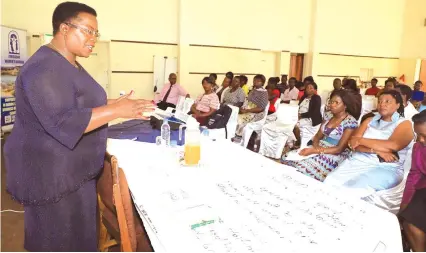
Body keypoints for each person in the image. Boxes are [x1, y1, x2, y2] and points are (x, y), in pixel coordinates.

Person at [3, 2, 154, 251]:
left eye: (96, 33)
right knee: (58, 242)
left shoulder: (68, 62)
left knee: (80, 240)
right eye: (88, 31)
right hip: (52, 177)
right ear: (64, 28)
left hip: (72, 171)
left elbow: (79, 102)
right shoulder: (43, 68)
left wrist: (115, 103)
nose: (93, 39)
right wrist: (116, 110)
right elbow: (63, 121)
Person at [324, 90, 414, 199]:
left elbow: (393, 145)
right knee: (329, 182)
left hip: (385, 166)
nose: (382, 104)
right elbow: (352, 143)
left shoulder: (404, 123)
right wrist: (377, 150)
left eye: (387, 101)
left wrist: (360, 140)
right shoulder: (370, 120)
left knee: (349, 191)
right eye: (380, 101)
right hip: (359, 160)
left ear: (398, 105)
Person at [282, 90, 359, 181]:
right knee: (287, 158)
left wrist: (316, 151)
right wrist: (315, 147)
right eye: (331, 102)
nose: (332, 105)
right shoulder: (328, 115)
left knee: (302, 167)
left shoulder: (350, 122)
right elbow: (318, 136)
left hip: (335, 153)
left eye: (336, 103)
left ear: (345, 105)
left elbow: (339, 149)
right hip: (321, 146)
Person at [399, 110, 426, 252]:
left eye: (424, 136)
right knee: (409, 222)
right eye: (417, 135)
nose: (419, 140)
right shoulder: (419, 147)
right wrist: (404, 204)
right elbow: (414, 176)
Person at [294, 82, 322, 147]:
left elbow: (313, 112)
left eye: (311, 88)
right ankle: (292, 141)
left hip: (310, 119)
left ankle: (298, 142)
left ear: (315, 90)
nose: (308, 89)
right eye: (307, 87)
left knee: (295, 126)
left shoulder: (317, 98)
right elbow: (299, 107)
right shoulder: (303, 97)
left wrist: (301, 115)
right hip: (299, 116)